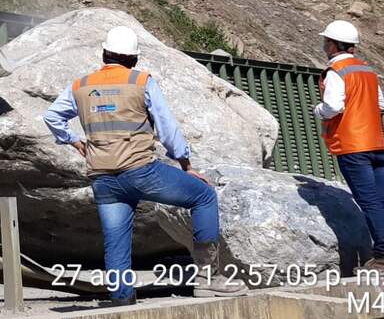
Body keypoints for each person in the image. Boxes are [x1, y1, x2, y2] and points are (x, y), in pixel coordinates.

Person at [42, 26, 247, 303]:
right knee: (203, 195)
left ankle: (122, 298)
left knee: (116, 240)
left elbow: (52, 116)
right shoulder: (140, 81)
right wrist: (185, 164)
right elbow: (167, 128)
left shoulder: (80, 85)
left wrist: (75, 142)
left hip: (103, 178)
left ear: (104, 54)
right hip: (142, 171)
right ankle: (208, 279)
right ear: (134, 59)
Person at [313, 20, 384, 274]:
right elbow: (380, 105)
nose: (325, 45)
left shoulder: (337, 70)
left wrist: (319, 111)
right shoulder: (366, 70)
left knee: (369, 202)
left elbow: (333, 106)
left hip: (352, 145)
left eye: (326, 41)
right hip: (376, 143)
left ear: (334, 45)